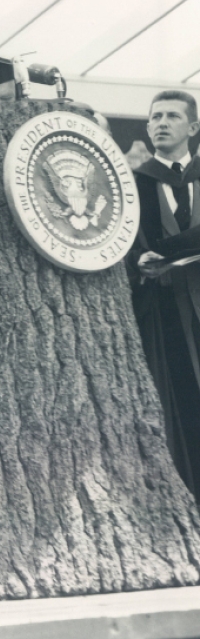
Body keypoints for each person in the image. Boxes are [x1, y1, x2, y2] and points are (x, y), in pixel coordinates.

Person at [129, 89, 200, 498]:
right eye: (155, 117)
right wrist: (139, 261)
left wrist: (170, 249)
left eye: (172, 116)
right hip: (165, 312)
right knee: (179, 404)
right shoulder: (134, 183)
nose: (161, 123)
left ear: (192, 127)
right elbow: (128, 246)